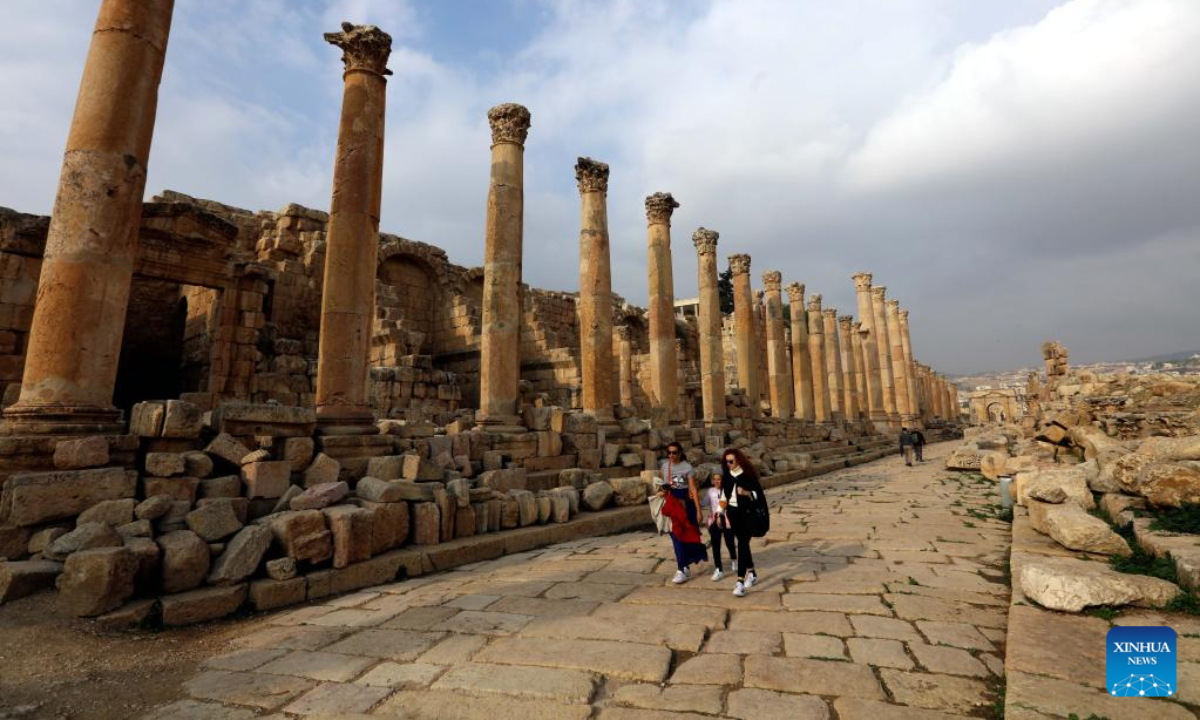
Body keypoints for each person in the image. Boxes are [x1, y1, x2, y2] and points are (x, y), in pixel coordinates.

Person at [657, 442, 707, 583]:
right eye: (669, 452)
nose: (671, 455)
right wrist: (660, 492)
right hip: (672, 504)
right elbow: (664, 486)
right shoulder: (665, 466)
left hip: (685, 505)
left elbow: (692, 489)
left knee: (688, 535)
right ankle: (682, 568)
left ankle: (684, 566)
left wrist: (699, 510)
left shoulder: (687, 467)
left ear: (680, 453)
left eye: (674, 452)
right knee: (675, 536)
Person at [721, 448, 762, 597]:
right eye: (726, 462)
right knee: (743, 544)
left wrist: (746, 493)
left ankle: (740, 582)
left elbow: (759, 495)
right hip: (733, 514)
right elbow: (724, 497)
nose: (729, 464)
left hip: (747, 514)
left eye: (731, 461)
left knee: (742, 544)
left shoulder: (748, 476)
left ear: (738, 460)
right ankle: (752, 572)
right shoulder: (726, 476)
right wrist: (719, 513)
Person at [705, 472, 737, 581]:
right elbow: (703, 503)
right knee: (716, 544)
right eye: (714, 479)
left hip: (726, 519)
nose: (716, 481)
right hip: (715, 520)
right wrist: (691, 498)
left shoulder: (728, 490)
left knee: (729, 542)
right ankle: (719, 569)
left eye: (719, 479)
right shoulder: (710, 491)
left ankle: (734, 559)